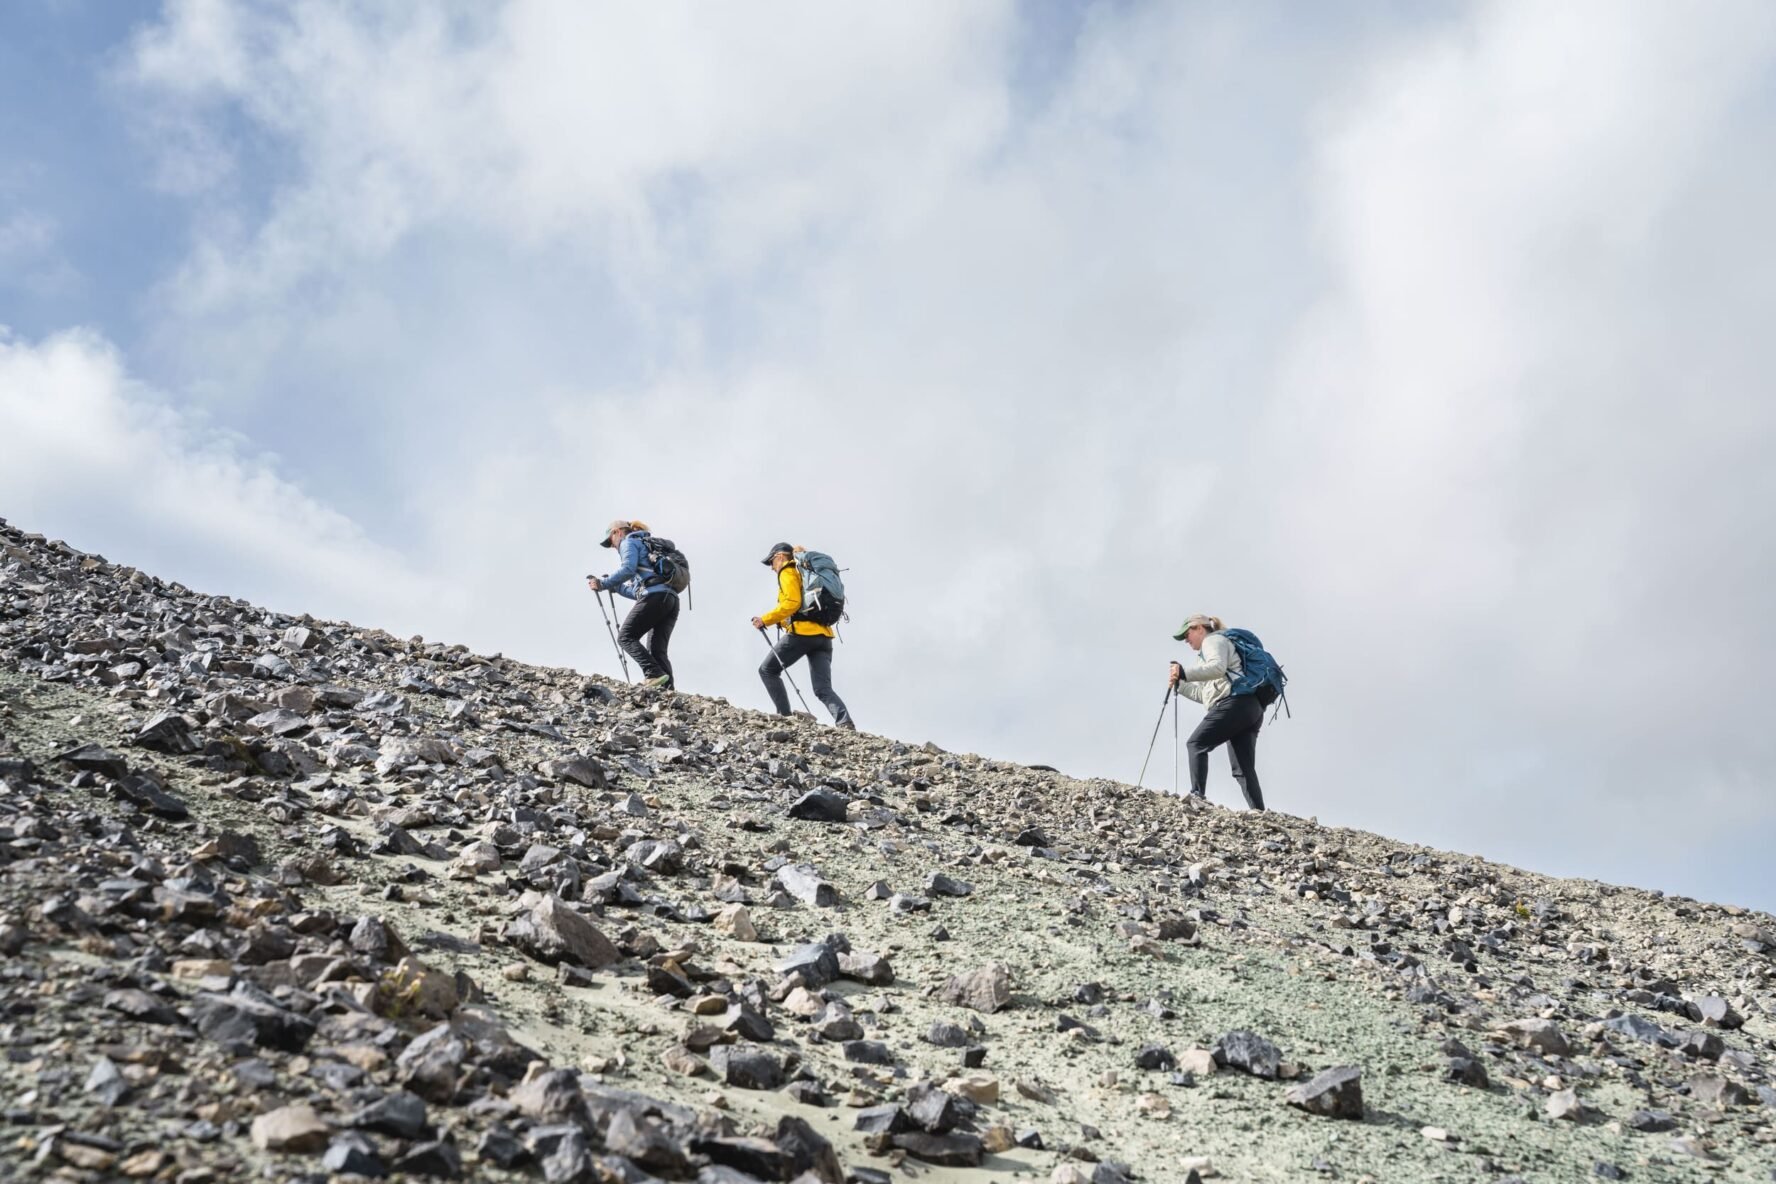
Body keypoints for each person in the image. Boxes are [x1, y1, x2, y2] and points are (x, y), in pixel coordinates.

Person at [751, 542, 854, 729]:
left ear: (780, 557)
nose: (772, 568)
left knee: (767, 670)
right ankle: (844, 721)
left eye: (771, 562)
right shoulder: (805, 572)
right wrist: (781, 621)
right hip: (824, 636)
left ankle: (784, 717)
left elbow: (792, 602)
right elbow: (798, 606)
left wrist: (765, 620)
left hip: (803, 633)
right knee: (823, 688)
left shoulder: (788, 571)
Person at [1169, 613, 1265, 810]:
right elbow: (1205, 695)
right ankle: (1259, 812)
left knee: (1196, 743)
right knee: (1243, 769)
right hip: (1249, 707)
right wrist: (1180, 684)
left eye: (1187, 634)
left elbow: (1218, 668)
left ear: (1200, 628)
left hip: (1235, 703)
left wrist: (1184, 672)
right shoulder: (1208, 653)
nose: (1186, 639)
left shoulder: (1214, 640)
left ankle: (1197, 795)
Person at [587, 519, 678, 689]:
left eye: (611, 541)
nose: (613, 546)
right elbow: (638, 592)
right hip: (670, 599)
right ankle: (667, 691)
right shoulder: (645, 545)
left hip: (654, 596)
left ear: (618, 532)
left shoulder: (628, 542)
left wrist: (602, 583)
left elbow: (627, 569)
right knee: (657, 649)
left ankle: (654, 674)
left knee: (625, 637)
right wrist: (615, 586)